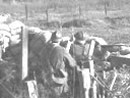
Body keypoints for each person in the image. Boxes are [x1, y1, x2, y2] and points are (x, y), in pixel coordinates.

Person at [40, 30, 76, 98]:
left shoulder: (44, 49)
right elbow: (72, 63)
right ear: (60, 40)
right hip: (58, 79)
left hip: (45, 77)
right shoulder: (61, 50)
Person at [69, 31, 92, 98]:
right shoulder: (88, 46)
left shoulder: (72, 46)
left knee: (76, 90)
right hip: (87, 73)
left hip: (74, 73)